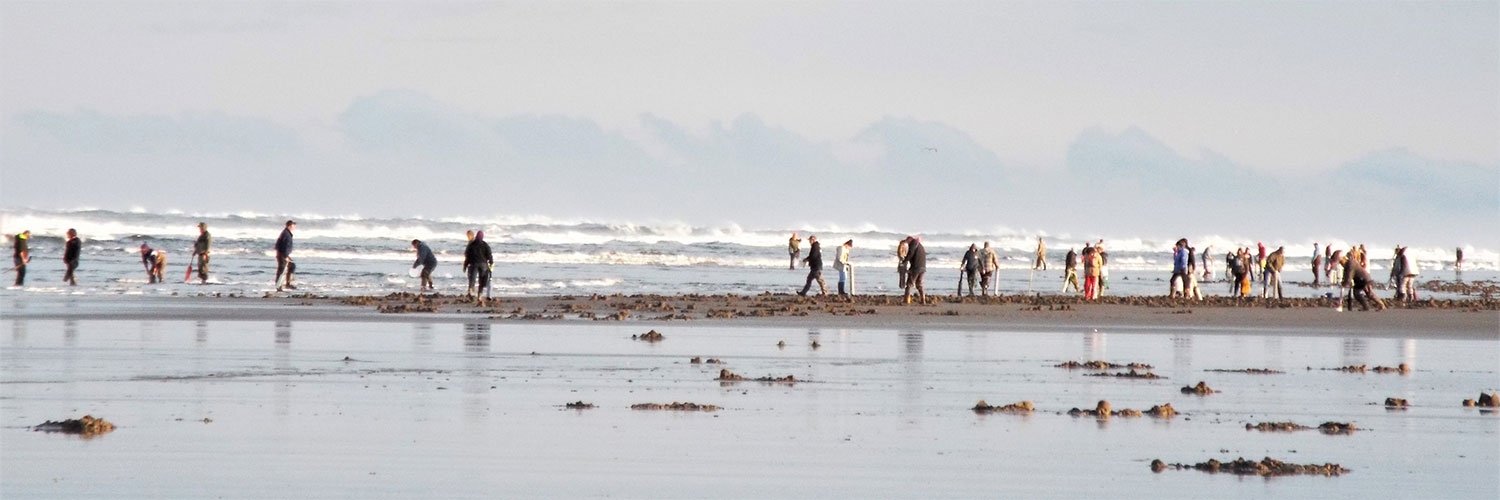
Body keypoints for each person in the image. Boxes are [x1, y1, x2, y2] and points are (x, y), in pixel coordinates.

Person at [463, 230, 494, 302]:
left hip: (473, 264)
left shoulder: (471, 245)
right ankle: (479, 296)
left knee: (472, 279)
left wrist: (465, 265)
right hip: (483, 264)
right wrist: (491, 263)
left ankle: (470, 292)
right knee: (482, 280)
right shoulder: (485, 245)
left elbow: (467, 256)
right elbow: (489, 255)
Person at [902, 236, 927, 304]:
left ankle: (906, 300)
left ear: (910, 240)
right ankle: (923, 300)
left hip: (916, 268)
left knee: (909, 284)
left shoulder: (913, 243)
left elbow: (910, 254)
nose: (907, 243)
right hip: (923, 267)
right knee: (919, 284)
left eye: (907, 241)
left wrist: (904, 261)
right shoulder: (919, 245)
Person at [274, 220, 296, 291]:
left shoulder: (287, 233)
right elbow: (282, 246)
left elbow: (278, 244)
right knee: (281, 270)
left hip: (284, 254)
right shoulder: (285, 234)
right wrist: (285, 256)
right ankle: (278, 286)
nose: (294, 227)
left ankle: (288, 284)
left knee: (292, 266)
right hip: (282, 254)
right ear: (289, 226)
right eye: (293, 225)